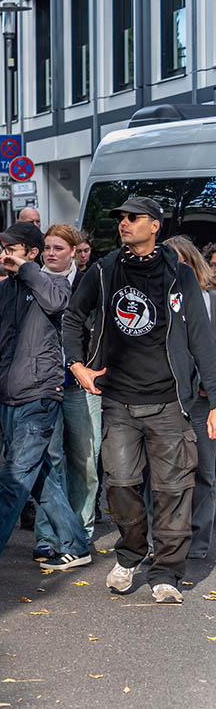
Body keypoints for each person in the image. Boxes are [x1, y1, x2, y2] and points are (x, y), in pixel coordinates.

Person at [65, 198, 216, 602]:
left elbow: (202, 339)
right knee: (121, 485)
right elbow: (73, 317)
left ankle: (167, 572)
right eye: (121, 218)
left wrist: (215, 400)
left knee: (173, 491)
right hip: (119, 400)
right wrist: (77, 364)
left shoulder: (179, 275)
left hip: (171, 403)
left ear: (154, 225)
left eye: (132, 218)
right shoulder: (104, 270)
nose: (123, 224)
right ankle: (132, 552)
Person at [0, 221, 92, 582]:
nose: (5, 253)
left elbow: (58, 304)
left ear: (32, 253)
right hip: (7, 399)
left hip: (40, 397)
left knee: (12, 478)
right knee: (39, 479)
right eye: (3, 248)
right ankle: (76, 544)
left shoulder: (52, 283)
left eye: (13, 248)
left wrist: (27, 271)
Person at [30, 224, 102, 558]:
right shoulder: (32, 281)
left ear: (74, 251)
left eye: (58, 248)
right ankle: (48, 536)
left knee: (86, 460)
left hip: (82, 383)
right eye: (47, 248)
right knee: (51, 460)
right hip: (45, 385)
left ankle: (81, 531)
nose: (51, 254)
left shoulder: (89, 284)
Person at [162, 235, 216, 560]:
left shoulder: (210, 300)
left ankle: (198, 543)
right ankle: (166, 540)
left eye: (176, 261)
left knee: (206, 472)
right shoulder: (161, 299)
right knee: (164, 472)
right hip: (168, 397)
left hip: (203, 400)